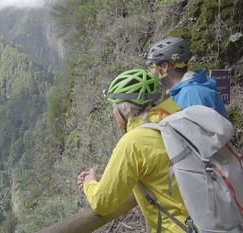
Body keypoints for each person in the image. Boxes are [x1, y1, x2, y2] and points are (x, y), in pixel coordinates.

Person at [77, 69, 189, 232]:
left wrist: (89, 182)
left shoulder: (133, 142)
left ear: (126, 110)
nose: (113, 113)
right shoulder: (175, 116)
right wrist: (105, 178)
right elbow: (159, 174)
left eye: (114, 108)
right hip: (210, 220)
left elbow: (102, 203)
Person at [145, 36, 227, 117]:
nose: (150, 72)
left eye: (152, 67)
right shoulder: (184, 91)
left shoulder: (191, 94)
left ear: (164, 67)